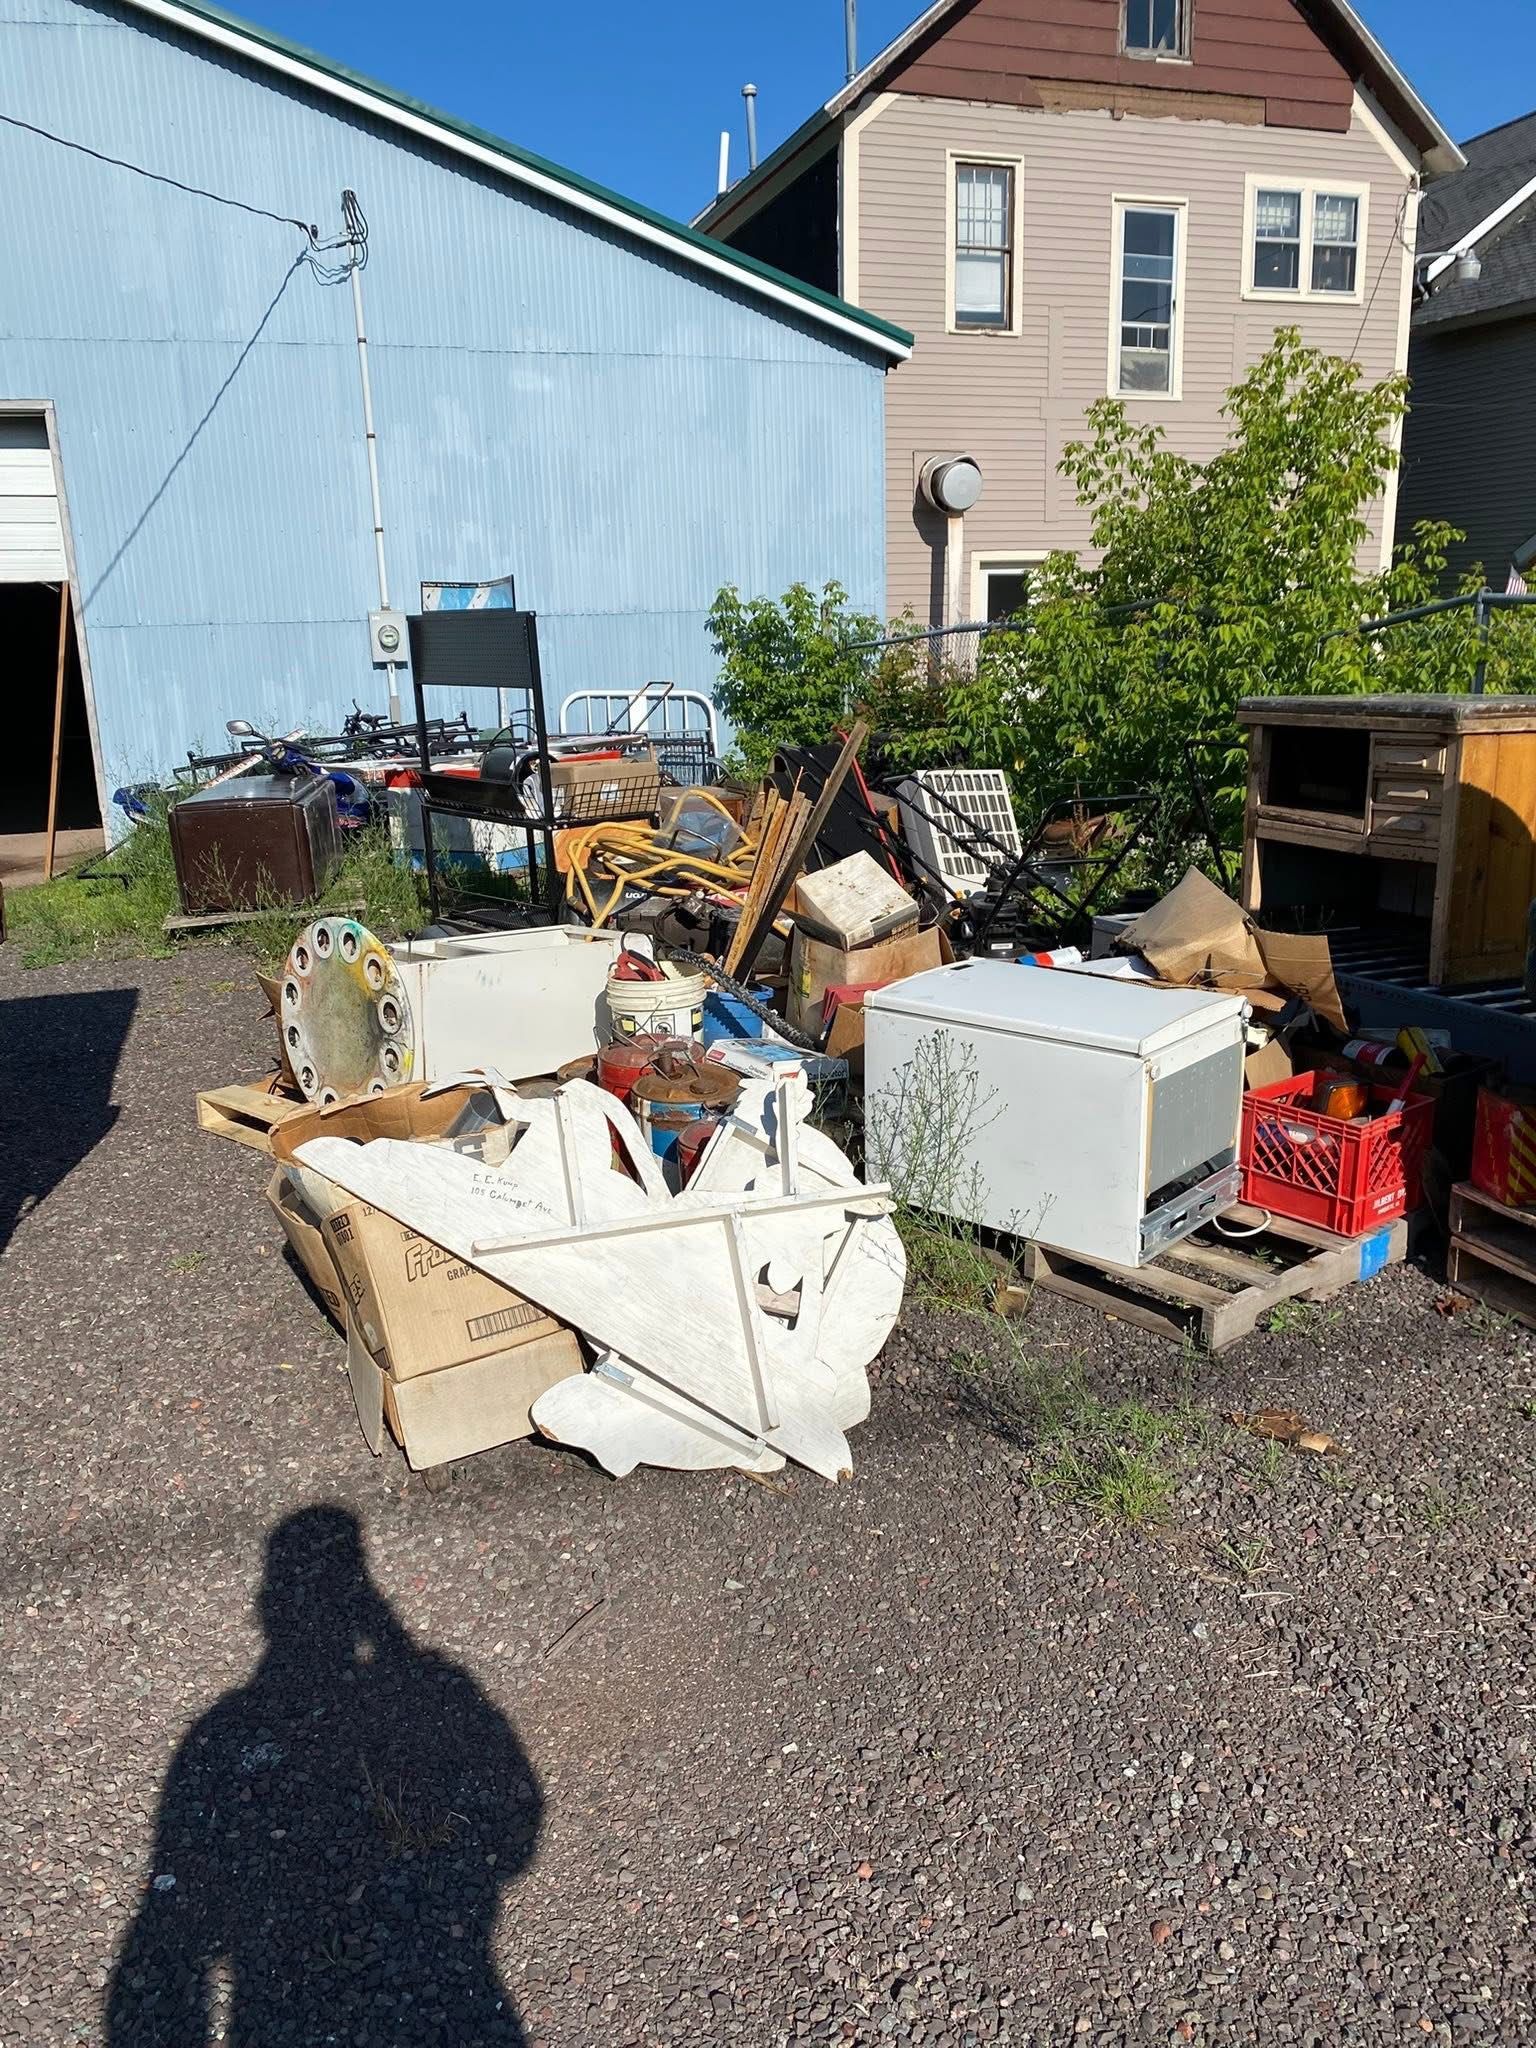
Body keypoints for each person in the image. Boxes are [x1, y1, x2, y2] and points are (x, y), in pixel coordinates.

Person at [107, 1505, 540, 2045]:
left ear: (267, 1608)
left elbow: (175, 1929)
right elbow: (515, 1834)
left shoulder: (222, 1730)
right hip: (447, 1985)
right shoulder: (427, 1682)